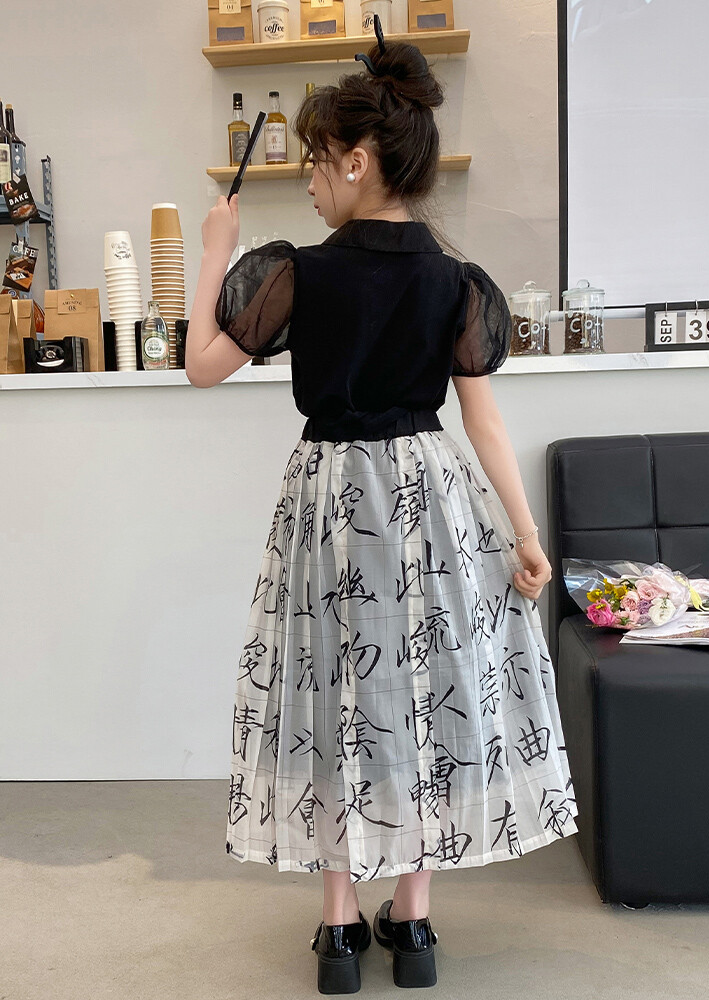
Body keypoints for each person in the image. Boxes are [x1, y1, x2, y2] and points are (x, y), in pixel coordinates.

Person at [186, 22, 578, 995]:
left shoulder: (298, 271)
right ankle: (415, 919)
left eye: (317, 165)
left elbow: (200, 367)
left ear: (357, 162)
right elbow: (483, 420)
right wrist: (526, 535)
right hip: (428, 501)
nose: (310, 184)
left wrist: (215, 251)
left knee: (335, 689)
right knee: (420, 690)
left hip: (330, 503)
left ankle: (337, 931)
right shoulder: (453, 280)